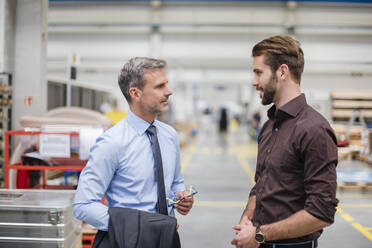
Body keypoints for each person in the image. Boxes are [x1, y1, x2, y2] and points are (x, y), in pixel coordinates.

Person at [231, 36, 338, 248]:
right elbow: (261, 184)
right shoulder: (270, 125)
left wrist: (259, 234)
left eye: (259, 72)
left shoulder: (314, 129)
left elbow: (322, 212)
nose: (254, 81)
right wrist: (248, 217)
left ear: (282, 72)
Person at [73, 57, 194, 245]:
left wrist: (179, 197)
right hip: (127, 240)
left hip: (167, 238)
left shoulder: (169, 136)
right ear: (136, 93)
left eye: (166, 84)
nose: (169, 92)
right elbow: (83, 205)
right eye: (160, 86)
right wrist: (140, 227)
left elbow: (175, 181)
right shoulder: (111, 143)